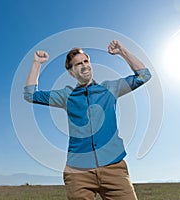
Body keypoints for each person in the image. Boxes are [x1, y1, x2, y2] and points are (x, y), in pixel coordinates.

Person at [24, 40, 151, 200]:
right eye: (78, 64)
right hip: (78, 173)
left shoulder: (109, 89)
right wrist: (36, 63)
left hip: (113, 168)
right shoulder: (66, 96)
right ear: (71, 72)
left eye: (86, 61)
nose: (84, 65)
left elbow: (144, 75)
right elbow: (30, 95)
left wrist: (122, 52)